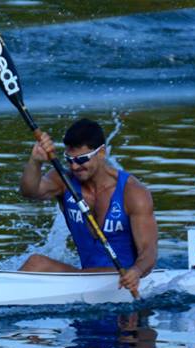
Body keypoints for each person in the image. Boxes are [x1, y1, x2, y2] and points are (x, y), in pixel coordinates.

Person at [18, 118, 157, 295]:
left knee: (37, 265)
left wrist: (136, 272)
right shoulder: (64, 181)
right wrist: (35, 161)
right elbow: (29, 192)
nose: (75, 166)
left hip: (122, 279)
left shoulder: (133, 193)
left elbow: (149, 250)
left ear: (101, 153)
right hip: (83, 277)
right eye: (69, 159)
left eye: (82, 159)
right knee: (36, 262)